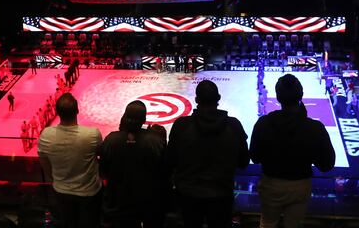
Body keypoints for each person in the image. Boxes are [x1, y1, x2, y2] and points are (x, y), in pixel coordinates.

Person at [250, 74, 335, 228]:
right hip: (300, 185)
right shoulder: (315, 128)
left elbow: (254, 157)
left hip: (271, 184)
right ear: (301, 95)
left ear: (277, 96)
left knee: (267, 224)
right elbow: (327, 164)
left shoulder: (263, 123)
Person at [167, 80, 249, 228]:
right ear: (218, 98)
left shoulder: (181, 125)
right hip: (222, 194)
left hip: (188, 195)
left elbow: (170, 160)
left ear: (197, 100)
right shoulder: (234, 125)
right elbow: (243, 162)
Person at [38, 93, 102, 228]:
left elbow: (44, 163)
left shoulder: (46, 135)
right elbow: (100, 155)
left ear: (57, 112)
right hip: (89, 192)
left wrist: (55, 180)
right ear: (77, 111)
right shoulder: (92, 134)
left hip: (61, 190)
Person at [100, 100, 167, 227]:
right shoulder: (156, 141)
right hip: (148, 201)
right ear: (144, 119)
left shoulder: (111, 139)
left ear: (125, 116)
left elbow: (104, 171)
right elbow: (163, 172)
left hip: (120, 202)